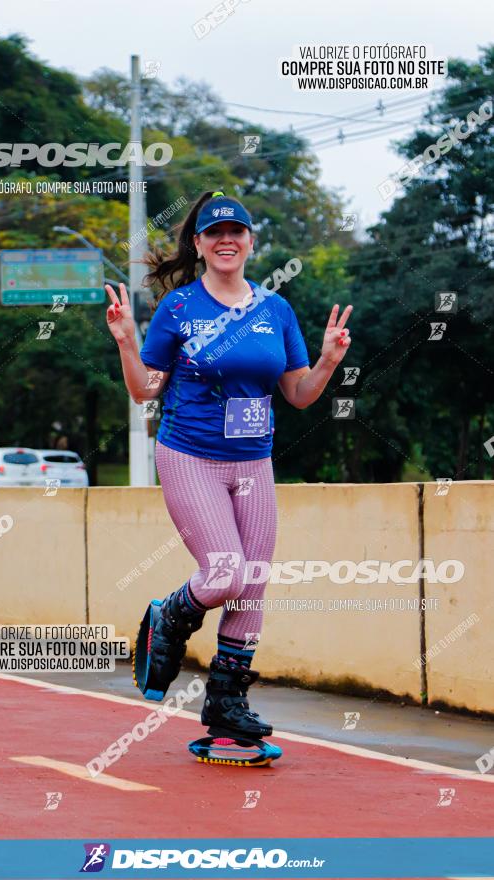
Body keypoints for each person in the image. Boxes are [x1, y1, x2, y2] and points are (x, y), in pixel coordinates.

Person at [105, 190, 353, 745]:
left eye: (235, 231)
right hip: (190, 455)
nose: (225, 240)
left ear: (249, 242)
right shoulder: (179, 307)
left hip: (253, 462)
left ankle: (225, 705)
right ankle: (170, 614)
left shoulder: (275, 310)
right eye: (213, 233)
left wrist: (329, 360)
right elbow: (147, 388)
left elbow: (299, 393)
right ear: (198, 244)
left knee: (251, 584)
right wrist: (127, 342)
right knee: (224, 574)